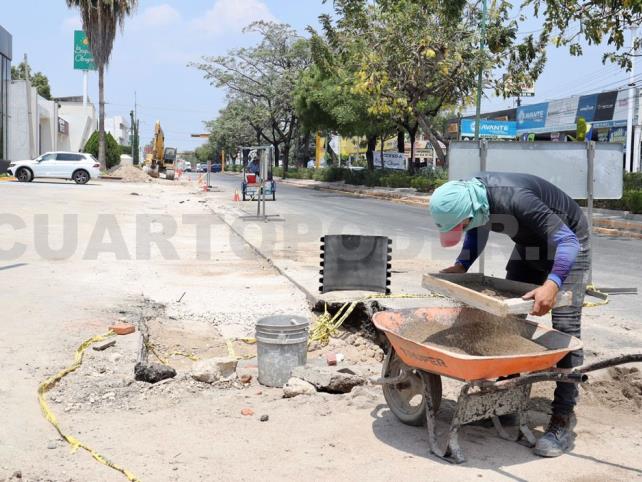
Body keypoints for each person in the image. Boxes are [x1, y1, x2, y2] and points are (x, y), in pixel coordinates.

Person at [430, 172, 590, 458]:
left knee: (566, 331)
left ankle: (561, 421)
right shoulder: (475, 198)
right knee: (507, 319)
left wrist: (552, 284)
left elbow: (568, 242)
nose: (464, 227)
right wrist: (462, 264)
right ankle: (508, 402)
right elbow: (478, 225)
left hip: (569, 243)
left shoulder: (514, 198)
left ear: (473, 210)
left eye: (462, 223)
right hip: (530, 245)